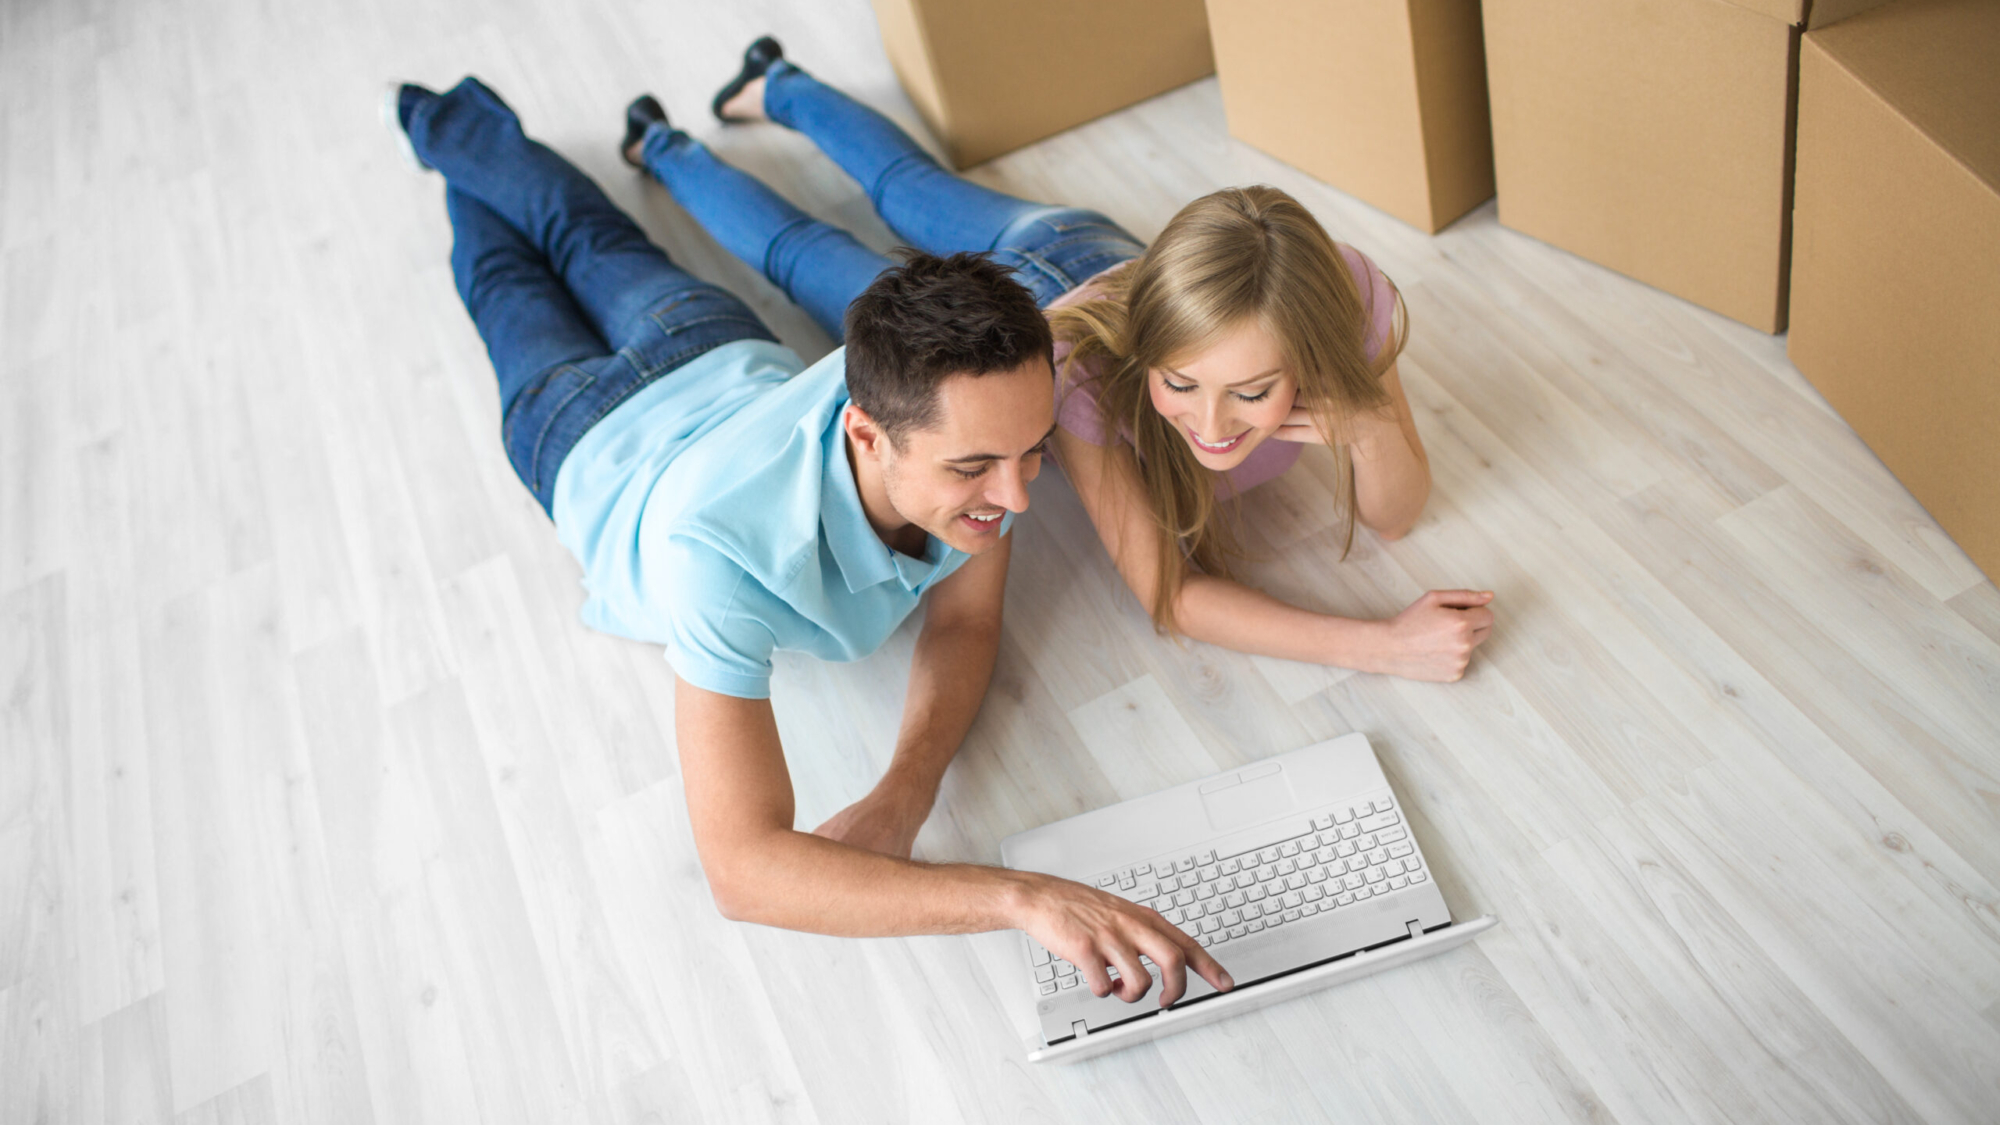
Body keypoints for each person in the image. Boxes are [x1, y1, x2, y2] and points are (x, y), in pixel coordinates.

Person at [383, 76, 1232, 1009]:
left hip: (702, 345)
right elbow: (743, 869)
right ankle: (439, 121)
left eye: (1032, 453)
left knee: (588, 232)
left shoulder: (940, 414)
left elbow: (963, 626)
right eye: (977, 467)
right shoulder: (720, 561)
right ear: (865, 431)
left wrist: (905, 789)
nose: (1017, 497)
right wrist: (1021, 897)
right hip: (578, 434)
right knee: (504, 271)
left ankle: (468, 136)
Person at [625, 38, 1496, 684]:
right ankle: (689, 134)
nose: (1210, 424)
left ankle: (768, 84)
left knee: (888, 197)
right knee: (831, 231)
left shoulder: (1349, 300)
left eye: (1253, 392)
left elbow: (1396, 517)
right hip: (1040, 287)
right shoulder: (1081, 375)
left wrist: (1373, 423)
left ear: (1304, 352)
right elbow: (1171, 596)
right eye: (1179, 383)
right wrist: (1383, 645)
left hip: (1109, 275)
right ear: (1148, 351)